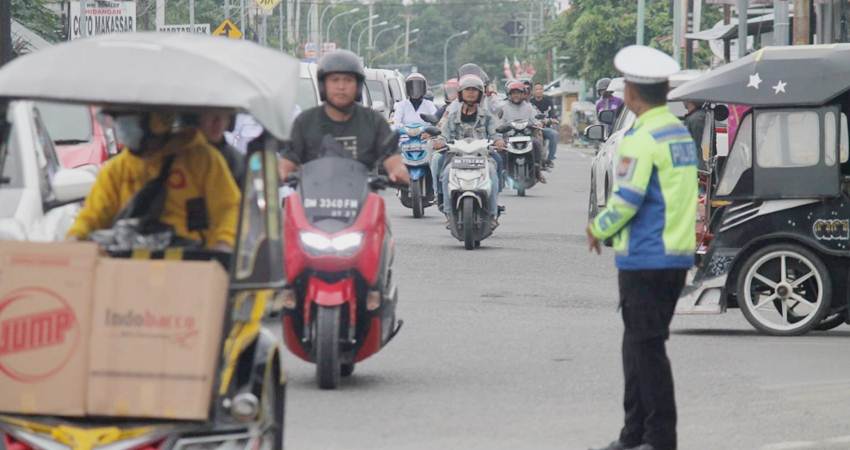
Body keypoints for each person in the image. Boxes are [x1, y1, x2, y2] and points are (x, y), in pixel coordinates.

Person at [586, 46, 697, 450]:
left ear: (631, 93)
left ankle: (660, 438)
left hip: (647, 257)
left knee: (647, 349)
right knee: (636, 344)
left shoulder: (641, 137)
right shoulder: (678, 132)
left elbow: (627, 200)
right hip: (675, 254)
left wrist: (598, 228)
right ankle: (633, 433)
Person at [67, 111, 241, 251]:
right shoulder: (117, 169)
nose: (124, 128)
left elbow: (229, 209)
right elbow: (93, 215)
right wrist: (75, 237)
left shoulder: (202, 160)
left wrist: (224, 243)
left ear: (158, 122)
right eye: (120, 120)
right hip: (128, 266)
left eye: (131, 120)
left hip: (191, 263)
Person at [278, 49, 409, 185]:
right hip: (313, 199)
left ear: (358, 86)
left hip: (362, 199)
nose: (341, 86)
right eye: (335, 80)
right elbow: (287, 162)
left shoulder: (374, 121)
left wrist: (398, 171)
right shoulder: (305, 122)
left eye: (348, 80)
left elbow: (392, 160)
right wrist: (279, 175)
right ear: (323, 85)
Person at [432, 73, 505, 223]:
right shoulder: (452, 116)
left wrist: (498, 141)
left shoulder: (488, 117)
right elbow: (443, 134)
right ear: (460, 93)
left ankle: (492, 213)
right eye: (467, 89)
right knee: (445, 173)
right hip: (456, 157)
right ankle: (448, 212)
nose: (471, 92)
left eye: (474, 90)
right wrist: (440, 141)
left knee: (493, 170)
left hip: (482, 157)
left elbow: (495, 133)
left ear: (480, 94)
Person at [498, 80, 546, 183]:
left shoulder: (528, 107)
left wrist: (538, 123)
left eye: (518, 93)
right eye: (513, 93)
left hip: (526, 136)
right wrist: (500, 129)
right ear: (509, 94)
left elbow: (534, 119)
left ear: (523, 94)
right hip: (509, 137)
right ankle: (502, 171)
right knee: (501, 150)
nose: (516, 95)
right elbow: (499, 122)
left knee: (536, 143)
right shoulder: (504, 108)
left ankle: (537, 169)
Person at [198, 110, 245, 187]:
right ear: (200, 118)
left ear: (229, 122)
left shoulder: (235, 160)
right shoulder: (181, 152)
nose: (218, 123)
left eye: (223, 117)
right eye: (212, 115)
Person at [530, 82, 561, 167]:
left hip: (545, 128)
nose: (538, 91)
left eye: (540, 89)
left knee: (554, 134)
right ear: (533, 91)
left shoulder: (548, 101)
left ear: (543, 90)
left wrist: (553, 120)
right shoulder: (529, 103)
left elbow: (553, 115)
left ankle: (550, 159)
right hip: (532, 128)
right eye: (536, 89)